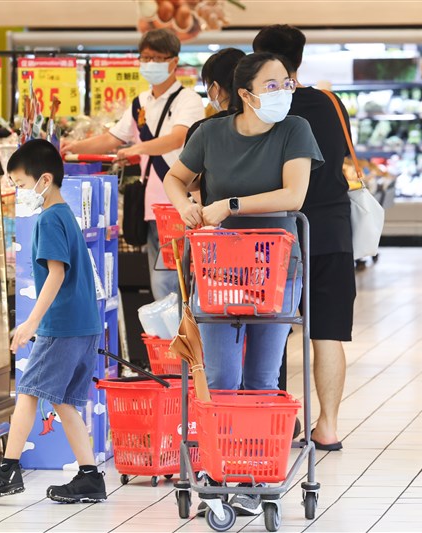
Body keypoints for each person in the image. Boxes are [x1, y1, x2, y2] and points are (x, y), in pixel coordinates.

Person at [163, 53, 323, 515]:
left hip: (276, 270)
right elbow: (176, 177)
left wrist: (229, 204)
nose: (284, 91)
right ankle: (220, 471)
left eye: (287, 83)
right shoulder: (211, 134)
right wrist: (185, 205)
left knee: (261, 377)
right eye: (273, 85)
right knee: (220, 378)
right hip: (219, 270)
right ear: (247, 94)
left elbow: (294, 195)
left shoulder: (295, 130)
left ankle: (254, 475)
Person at [0, 140, 106, 504]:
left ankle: (8, 471)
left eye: (21, 184)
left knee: (28, 391)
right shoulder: (65, 215)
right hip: (84, 324)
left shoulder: (48, 219)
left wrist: (31, 322)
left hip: (61, 327)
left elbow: (56, 274)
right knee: (63, 402)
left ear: (44, 180)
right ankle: (90, 476)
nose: (19, 193)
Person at [254, 24, 357, 452]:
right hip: (332, 229)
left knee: (271, 328)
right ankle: (327, 427)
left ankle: (277, 422)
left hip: (276, 234)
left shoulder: (263, 107)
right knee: (328, 331)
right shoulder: (331, 102)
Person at [61, 29, 204, 301]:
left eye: (156, 58)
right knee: (161, 277)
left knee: (173, 279)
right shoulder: (141, 103)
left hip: (180, 203)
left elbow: (178, 138)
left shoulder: (189, 100)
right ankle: (171, 327)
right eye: (145, 58)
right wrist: (73, 147)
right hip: (152, 205)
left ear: (173, 61)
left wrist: (138, 148)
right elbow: (112, 138)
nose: (149, 64)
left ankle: (181, 327)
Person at [185, 47, 245, 203]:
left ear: (215, 88)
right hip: (267, 213)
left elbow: (187, 181)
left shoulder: (203, 129)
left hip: (217, 213)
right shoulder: (267, 122)